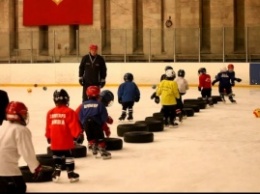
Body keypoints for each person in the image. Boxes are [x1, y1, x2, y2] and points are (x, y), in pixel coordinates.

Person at [0, 101, 47, 194]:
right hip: (6, 172)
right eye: (24, 114)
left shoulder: (3, 126)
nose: (25, 116)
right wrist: (36, 168)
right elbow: (27, 152)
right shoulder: (21, 130)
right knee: (20, 188)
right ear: (18, 115)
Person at [45, 89, 83, 183]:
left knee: (57, 156)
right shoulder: (69, 112)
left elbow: (48, 127)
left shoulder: (50, 112)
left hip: (55, 142)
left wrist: (48, 136)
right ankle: (70, 173)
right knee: (69, 156)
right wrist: (79, 134)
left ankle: (56, 172)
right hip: (66, 141)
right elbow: (73, 125)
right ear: (66, 99)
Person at [79, 86, 112, 159]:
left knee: (90, 137)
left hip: (86, 123)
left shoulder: (84, 104)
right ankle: (103, 151)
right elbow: (104, 116)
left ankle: (93, 148)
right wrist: (105, 125)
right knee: (100, 137)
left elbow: (81, 116)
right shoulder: (100, 104)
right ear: (98, 94)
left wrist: (83, 124)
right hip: (96, 123)